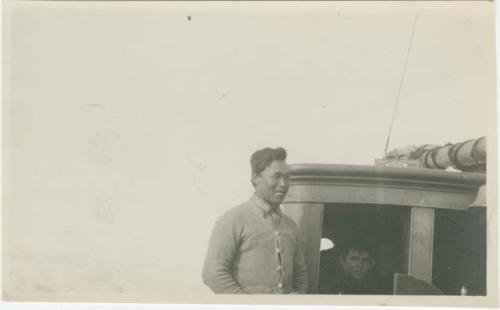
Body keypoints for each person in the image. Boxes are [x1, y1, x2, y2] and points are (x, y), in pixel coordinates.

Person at [202, 147, 308, 294]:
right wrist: (247, 304)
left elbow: (300, 274)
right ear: (256, 177)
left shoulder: (291, 226)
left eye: (287, 177)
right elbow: (212, 273)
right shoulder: (233, 219)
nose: (284, 184)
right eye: (276, 176)